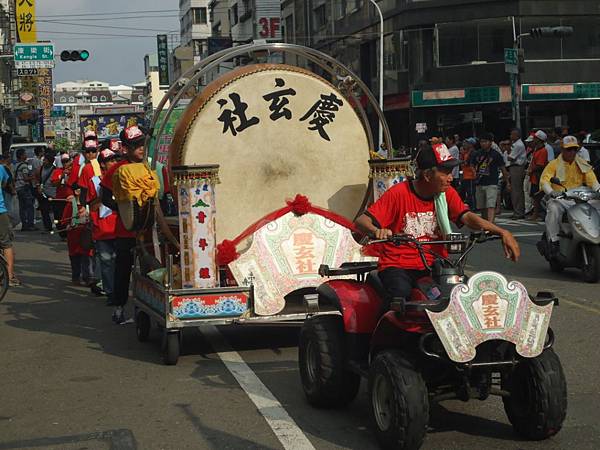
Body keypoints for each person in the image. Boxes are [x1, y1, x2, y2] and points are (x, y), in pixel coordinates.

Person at [354, 144, 519, 304]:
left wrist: (502, 232)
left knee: (467, 294)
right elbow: (362, 221)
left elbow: (467, 217)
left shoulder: (445, 194)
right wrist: (377, 231)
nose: (450, 178)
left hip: (435, 264)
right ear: (427, 175)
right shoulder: (398, 194)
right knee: (400, 295)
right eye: (446, 172)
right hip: (399, 265)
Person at [101, 125, 147, 324]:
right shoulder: (117, 170)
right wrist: (123, 209)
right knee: (123, 269)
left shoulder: (150, 166)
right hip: (125, 229)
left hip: (147, 230)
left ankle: (149, 307)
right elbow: (104, 196)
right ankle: (119, 307)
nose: (141, 149)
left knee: (150, 271)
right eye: (136, 146)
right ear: (125, 148)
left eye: (141, 145)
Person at [540, 135, 600, 256]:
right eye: (569, 149)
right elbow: (544, 181)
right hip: (562, 199)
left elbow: (593, 182)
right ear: (562, 150)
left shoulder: (582, 164)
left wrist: (598, 190)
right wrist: (552, 192)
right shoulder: (554, 164)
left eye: (574, 149)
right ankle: (554, 242)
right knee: (553, 207)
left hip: (580, 200)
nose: (572, 152)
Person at [86, 149, 118, 304]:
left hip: (120, 227)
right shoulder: (95, 181)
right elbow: (91, 206)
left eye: (115, 159)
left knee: (120, 262)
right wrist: (103, 195)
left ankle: (119, 291)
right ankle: (110, 292)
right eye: (110, 160)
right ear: (103, 164)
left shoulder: (122, 177)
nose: (114, 163)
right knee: (106, 263)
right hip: (103, 229)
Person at [471, 133, 510, 224]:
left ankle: (490, 224)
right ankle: (486, 224)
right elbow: (472, 164)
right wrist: (474, 172)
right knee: (482, 206)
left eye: (485, 141)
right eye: (482, 142)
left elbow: (503, 169)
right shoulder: (477, 153)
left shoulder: (496, 154)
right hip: (479, 182)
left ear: (490, 142)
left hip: (492, 182)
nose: (483, 143)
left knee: (491, 205)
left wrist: (507, 182)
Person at [0, 160, 19, 286]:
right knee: (6, 244)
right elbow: (6, 183)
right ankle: (9, 276)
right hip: (0, 211)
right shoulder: (1, 169)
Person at [526, 132, 549, 222]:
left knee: (537, 197)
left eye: (535, 138)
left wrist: (531, 170)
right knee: (535, 196)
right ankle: (536, 214)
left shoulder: (543, 150)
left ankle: (537, 215)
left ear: (539, 140)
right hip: (534, 176)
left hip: (538, 176)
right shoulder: (537, 149)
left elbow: (540, 165)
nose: (533, 140)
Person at [50, 153, 73, 239]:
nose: (65, 163)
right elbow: (54, 184)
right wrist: (62, 177)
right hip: (60, 199)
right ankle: (63, 235)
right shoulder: (57, 171)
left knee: (70, 218)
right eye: (63, 161)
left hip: (71, 199)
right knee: (60, 217)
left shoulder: (74, 171)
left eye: (67, 161)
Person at [14, 148, 37, 231]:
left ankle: (24, 225)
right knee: (29, 206)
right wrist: (33, 177)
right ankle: (30, 225)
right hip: (24, 188)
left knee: (22, 207)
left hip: (18, 188)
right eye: (25, 154)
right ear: (21, 156)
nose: (26, 155)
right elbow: (26, 178)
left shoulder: (16, 165)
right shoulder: (23, 166)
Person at [507, 128, 527, 219]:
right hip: (515, 167)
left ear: (517, 135)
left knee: (516, 190)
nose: (511, 136)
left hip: (517, 167)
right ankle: (517, 211)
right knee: (516, 190)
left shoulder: (518, 145)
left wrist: (507, 151)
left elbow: (511, 157)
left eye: (512, 134)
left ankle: (518, 212)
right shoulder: (516, 144)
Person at [37, 152, 57, 232]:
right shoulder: (41, 168)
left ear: (50, 161)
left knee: (55, 211)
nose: (43, 161)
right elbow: (38, 178)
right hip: (43, 193)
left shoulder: (55, 169)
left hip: (53, 193)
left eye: (45, 160)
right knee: (44, 210)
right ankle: (47, 227)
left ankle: (58, 226)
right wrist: (39, 186)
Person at [459, 137, 477, 209]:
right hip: (465, 175)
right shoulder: (466, 153)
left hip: (471, 176)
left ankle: (473, 206)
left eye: (466, 143)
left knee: (471, 192)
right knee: (466, 192)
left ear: (471, 144)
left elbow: (468, 163)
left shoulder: (473, 153)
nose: (464, 144)